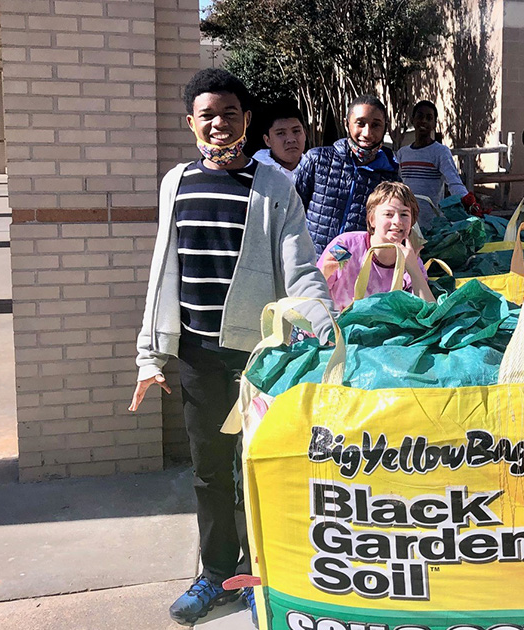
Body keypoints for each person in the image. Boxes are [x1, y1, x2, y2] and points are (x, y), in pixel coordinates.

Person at [129, 68, 336, 626]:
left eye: (229, 113)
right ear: (192, 123)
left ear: (247, 122)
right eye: (208, 115)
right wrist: (152, 355)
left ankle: (260, 576)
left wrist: (326, 335)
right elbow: (161, 271)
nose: (219, 123)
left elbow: (301, 267)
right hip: (197, 353)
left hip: (258, 356)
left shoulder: (273, 186)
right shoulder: (177, 181)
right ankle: (216, 574)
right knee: (210, 471)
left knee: (258, 467)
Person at [294, 95, 401, 255]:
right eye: (360, 123)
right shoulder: (318, 160)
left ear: (385, 127)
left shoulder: (390, 177)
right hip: (309, 261)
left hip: (353, 267)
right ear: (347, 123)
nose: (367, 133)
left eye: (376, 125)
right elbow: (293, 210)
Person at [319, 181, 436, 311]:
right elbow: (313, 287)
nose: (397, 221)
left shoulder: (412, 261)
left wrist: (414, 270)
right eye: (388, 214)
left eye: (404, 214)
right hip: (336, 326)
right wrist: (325, 272)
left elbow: (430, 313)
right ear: (372, 219)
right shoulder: (344, 245)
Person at [396, 100, 482, 228]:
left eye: (429, 118)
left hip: (432, 222)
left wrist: (468, 202)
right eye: (420, 116)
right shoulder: (403, 153)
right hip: (407, 221)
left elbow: (453, 182)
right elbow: (398, 185)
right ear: (412, 120)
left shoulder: (440, 152)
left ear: (434, 124)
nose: (424, 121)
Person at [252, 100, 306, 181]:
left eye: (296, 131)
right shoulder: (254, 172)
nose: (291, 139)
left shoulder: (319, 171)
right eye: (281, 133)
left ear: (305, 134)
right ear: (267, 140)